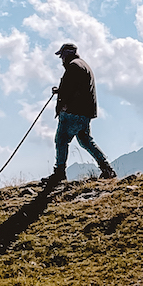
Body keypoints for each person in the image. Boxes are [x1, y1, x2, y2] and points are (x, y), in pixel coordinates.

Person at [41, 43, 117, 186]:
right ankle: (106, 168)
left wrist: (62, 100)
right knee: (85, 141)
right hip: (85, 113)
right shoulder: (83, 65)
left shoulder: (73, 66)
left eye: (61, 55)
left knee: (61, 140)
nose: (61, 59)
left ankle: (59, 173)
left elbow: (70, 90)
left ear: (66, 54)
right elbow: (76, 88)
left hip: (72, 112)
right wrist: (61, 91)